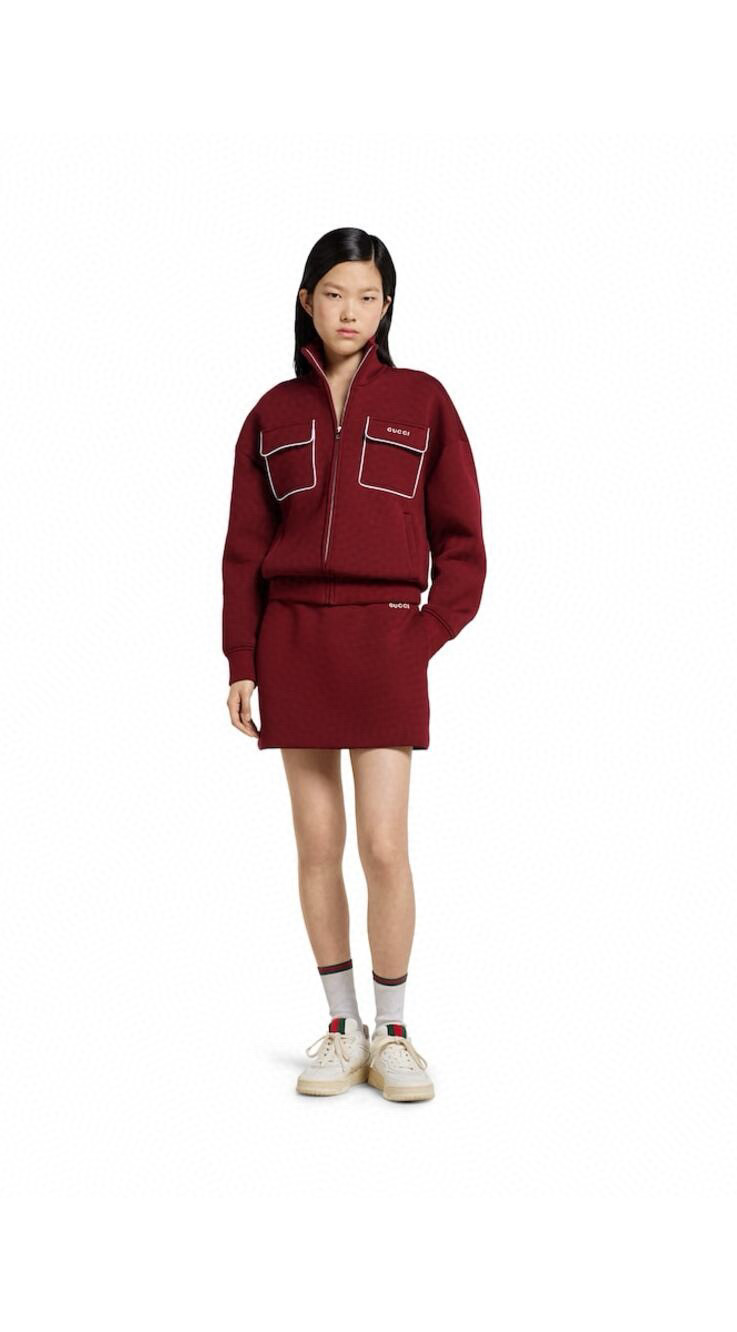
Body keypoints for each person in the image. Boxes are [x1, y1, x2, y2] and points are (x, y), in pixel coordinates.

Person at [220, 227, 486, 1102]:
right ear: (307, 300)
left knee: (382, 845)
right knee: (317, 844)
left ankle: (394, 1032)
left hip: (384, 643)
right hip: (294, 639)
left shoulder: (423, 401)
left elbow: (463, 543)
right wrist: (242, 659)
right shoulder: (271, 414)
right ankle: (343, 1028)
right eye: (335, 294)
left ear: (387, 306)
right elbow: (242, 551)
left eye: (369, 297)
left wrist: (421, 634)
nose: (351, 312)